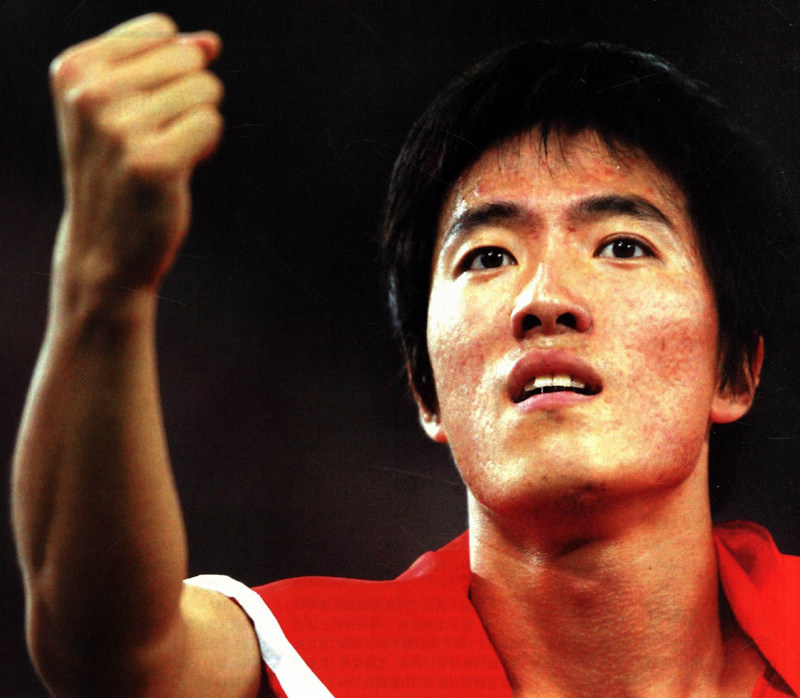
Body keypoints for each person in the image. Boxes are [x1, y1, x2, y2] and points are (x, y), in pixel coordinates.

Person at [11, 11, 799, 698]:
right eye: (487, 256)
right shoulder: (329, 663)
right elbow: (113, 656)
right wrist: (102, 283)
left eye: (622, 245)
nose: (544, 298)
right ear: (426, 389)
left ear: (734, 370)